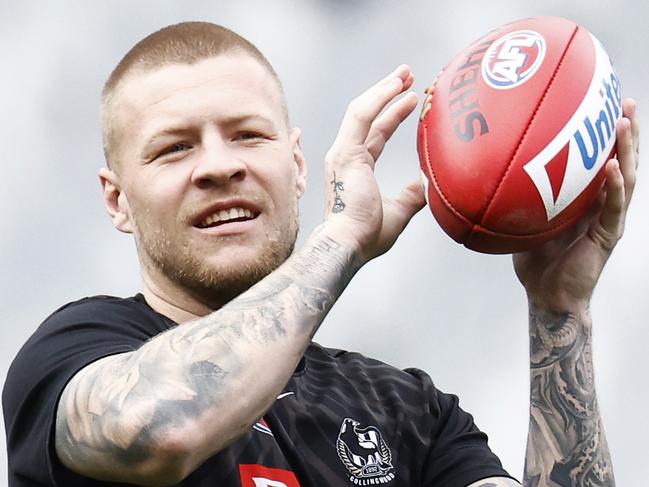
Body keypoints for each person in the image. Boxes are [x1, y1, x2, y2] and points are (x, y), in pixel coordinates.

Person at [2, 21, 639, 487]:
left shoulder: (409, 410)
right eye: (174, 149)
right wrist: (341, 237)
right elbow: (163, 428)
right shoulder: (73, 355)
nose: (221, 166)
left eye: (248, 135)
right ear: (117, 201)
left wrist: (559, 310)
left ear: (297, 164)